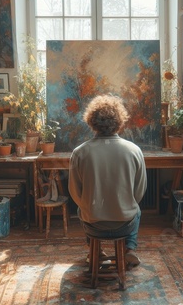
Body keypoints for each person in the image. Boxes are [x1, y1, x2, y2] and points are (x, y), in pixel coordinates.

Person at [68, 94, 147, 267]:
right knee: (137, 210)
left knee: (83, 210)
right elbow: (139, 192)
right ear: (119, 121)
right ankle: (130, 249)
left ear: (92, 122)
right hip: (125, 224)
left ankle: (95, 250)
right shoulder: (134, 150)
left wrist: (90, 209)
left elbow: (75, 192)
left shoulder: (79, 153)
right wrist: (125, 207)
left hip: (93, 226)